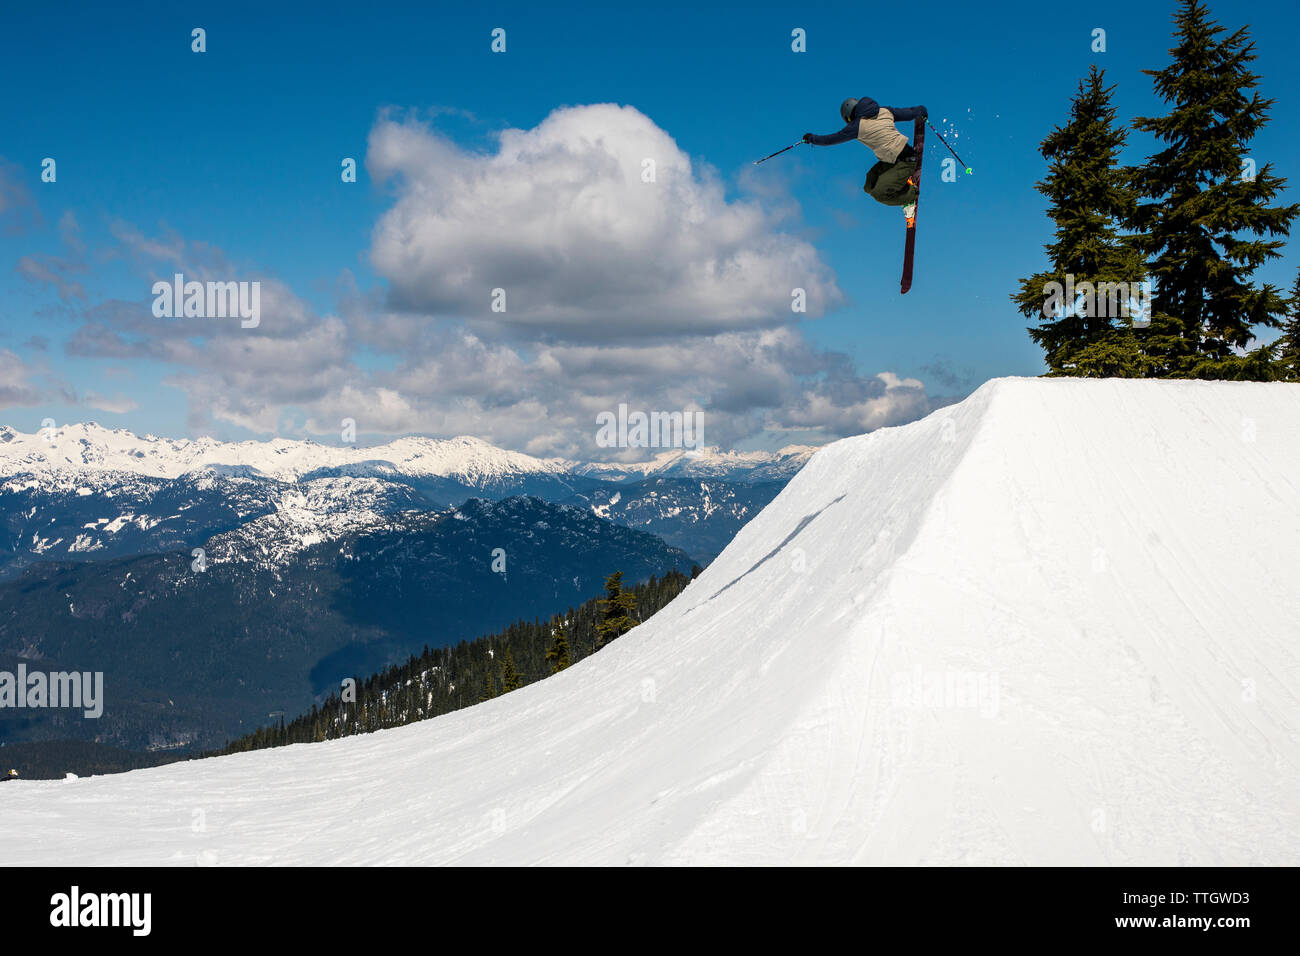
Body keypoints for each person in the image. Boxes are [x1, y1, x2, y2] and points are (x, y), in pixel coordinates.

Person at [804, 97, 928, 223]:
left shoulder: (856, 125)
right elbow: (908, 113)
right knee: (870, 184)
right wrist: (921, 111)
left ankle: (910, 196)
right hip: (891, 161)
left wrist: (811, 138)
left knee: (879, 193)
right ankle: (902, 182)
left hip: (905, 160)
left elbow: (831, 139)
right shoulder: (885, 111)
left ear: (848, 117)